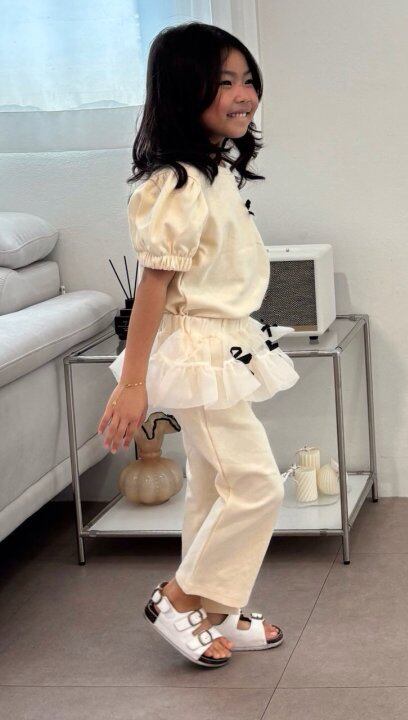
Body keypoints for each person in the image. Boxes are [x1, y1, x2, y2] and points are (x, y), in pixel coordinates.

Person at [97, 22, 300, 668]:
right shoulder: (178, 183)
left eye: (248, 80)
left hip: (223, 341)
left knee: (213, 485)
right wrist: (133, 383)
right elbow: (154, 288)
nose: (244, 94)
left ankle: (217, 609)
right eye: (224, 82)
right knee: (257, 484)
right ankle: (179, 597)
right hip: (198, 350)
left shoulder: (213, 172)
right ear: (187, 91)